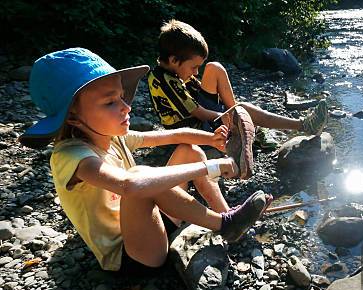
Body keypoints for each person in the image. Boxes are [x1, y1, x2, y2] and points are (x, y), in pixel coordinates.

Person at [18, 48, 272, 274]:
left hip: (154, 222)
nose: (126, 107)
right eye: (110, 102)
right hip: (133, 255)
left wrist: (215, 141)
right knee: (139, 178)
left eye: (121, 97)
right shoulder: (71, 156)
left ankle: (228, 216)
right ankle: (225, 225)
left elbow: (173, 135)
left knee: (189, 150)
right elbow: (130, 185)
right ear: (72, 117)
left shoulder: (112, 136)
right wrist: (213, 166)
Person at [147, 19, 328, 137]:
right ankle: (302, 125)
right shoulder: (163, 80)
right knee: (242, 110)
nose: (195, 73)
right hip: (190, 130)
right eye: (193, 67)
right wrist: (224, 116)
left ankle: (238, 120)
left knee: (215, 68)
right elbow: (198, 112)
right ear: (173, 60)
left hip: (198, 119)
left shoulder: (174, 71)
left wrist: (229, 113)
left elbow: (198, 91)